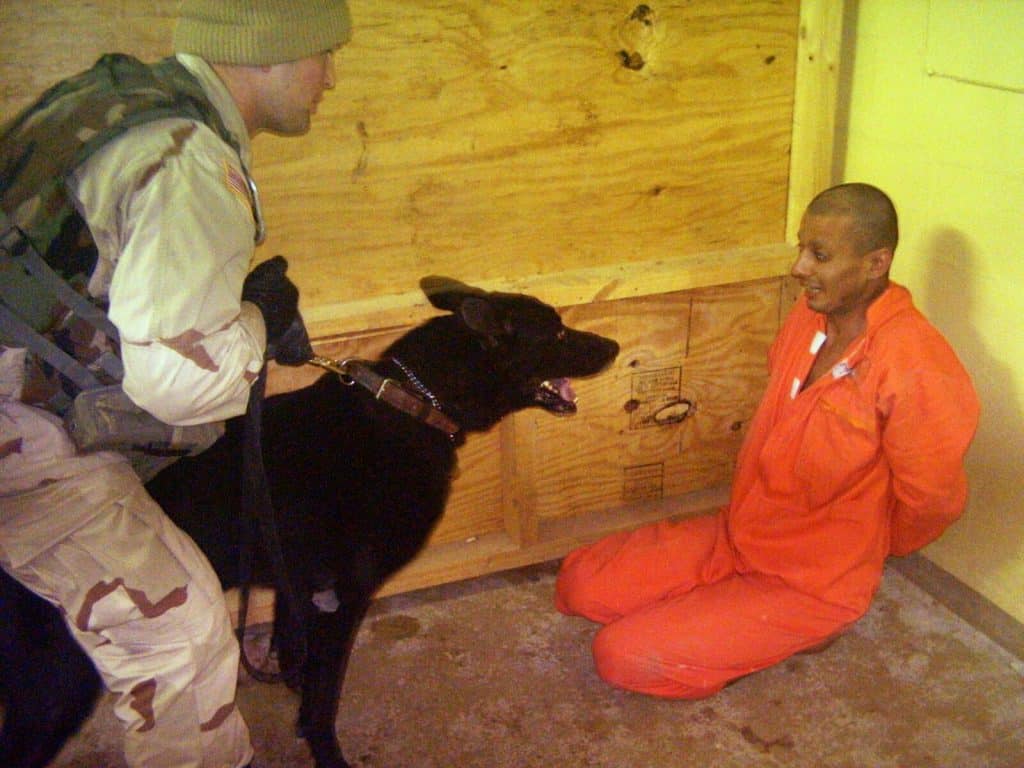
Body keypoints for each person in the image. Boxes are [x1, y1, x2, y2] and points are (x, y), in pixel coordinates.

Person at [0, 1, 352, 766]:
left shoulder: (111, 100)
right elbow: (177, 386)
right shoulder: (188, 157)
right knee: (181, 638)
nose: (332, 76)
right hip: (18, 431)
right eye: (323, 51)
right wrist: (257, 321)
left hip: (24, 392)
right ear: (264, 53)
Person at [555, 183, 980, 699]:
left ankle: (811, 624)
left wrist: (859, 552)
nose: (799, 267)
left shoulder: (915, 362)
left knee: (620, 655)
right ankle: (719, 602)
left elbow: (933, 500)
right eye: (803, 248)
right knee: (579, 584)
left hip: (811, 582)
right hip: (741, 532)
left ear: (876, 263)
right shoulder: (810, 315)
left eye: (819, 255)